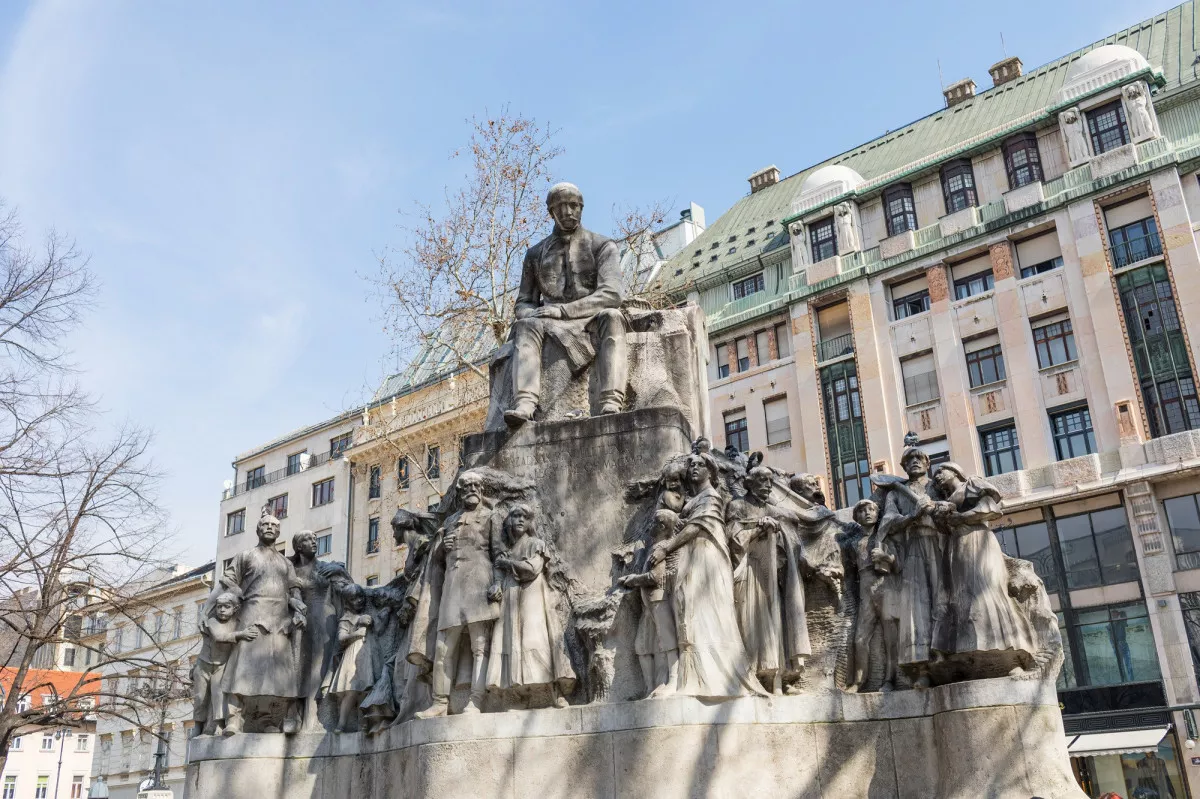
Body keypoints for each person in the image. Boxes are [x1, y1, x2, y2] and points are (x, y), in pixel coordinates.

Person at [505, 182, 628, 425]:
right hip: (550, 321)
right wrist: (536, 314)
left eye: (574, 206)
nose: (568, 212)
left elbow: (612, 294)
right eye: (561, 207)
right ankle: (525, 402)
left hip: (590, 316)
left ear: (581, 208)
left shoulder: (602, 245)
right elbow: (524, 302)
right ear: (551, 212)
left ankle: (611, 400)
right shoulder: (535, 254)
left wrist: (563, 311)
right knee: (525, 325)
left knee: (613, 317)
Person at [647, 452, 766, 698]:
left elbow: (696, 527)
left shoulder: (711, 496)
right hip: (693, 559)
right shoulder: (695, 498)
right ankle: (686, 678)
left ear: (711, 472)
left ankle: (704, 679)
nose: (694, 468)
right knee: (687, 613)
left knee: (696, 613)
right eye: (691, 464)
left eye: (700, 465)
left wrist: (665, 548)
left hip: (706, 560)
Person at [727, 466, 830, 694]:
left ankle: (779, 679)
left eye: (768, 481)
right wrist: (757, 529)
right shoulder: (737, 505)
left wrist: (780, 535)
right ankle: (753, 677)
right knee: (753, 624)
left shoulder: (774, 509)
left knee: (777, 624)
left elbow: (793, 529)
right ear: (749, 483)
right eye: (761, 481)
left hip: (773, 574)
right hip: (751, 573)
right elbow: (733, 538)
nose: (766, 485)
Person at [413, 470, 504, 717]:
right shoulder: (451, 521)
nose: (471, 490)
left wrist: (498, 583)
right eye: (466, 487)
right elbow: (438, 560)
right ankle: (440, 703)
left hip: (480, 585)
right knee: (443, 648)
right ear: (460, 492)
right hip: (452, 588)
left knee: (480, 646)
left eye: (475, 486)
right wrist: (443, 547)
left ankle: (476, 700)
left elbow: (499, 555)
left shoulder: (491, 517)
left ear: (482, 490)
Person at [930, 462, 1035, 676]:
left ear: (956, 471)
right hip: (956, 548)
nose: (938, 476)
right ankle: (974, 658)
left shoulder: (972, 484)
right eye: (935, 475)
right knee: (963, 601)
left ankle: (1012, 657)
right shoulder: (945, 500)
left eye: (941, 470)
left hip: (978, 542)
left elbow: (992, 509)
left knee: (987, 595)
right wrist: (940, 517)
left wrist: (962, 517)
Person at [219, 510, 307, 734]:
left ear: (279, 532)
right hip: (252, 615)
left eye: (274, 525)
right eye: (265, 524)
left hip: (279, 620)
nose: (270, 527)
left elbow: (294, 587)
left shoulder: (285, 563)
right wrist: (238, 596)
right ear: (258, 529)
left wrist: (298, 608)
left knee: (277, 673)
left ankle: (270, 719)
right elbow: (228, 579)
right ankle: (234, 718)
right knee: (242, 668)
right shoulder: (246, 555)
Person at [485, 504, 575, 708]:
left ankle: (552, 692)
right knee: (512, 642)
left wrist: (508, 564)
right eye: (515, 516)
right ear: (508, 521)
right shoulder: (506, 552)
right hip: (511, 596)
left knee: (535, 639)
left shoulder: (536, 544)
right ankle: (519, 694)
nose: (519, 520)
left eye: (524, 517)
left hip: (533, 595)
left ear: (529, 522)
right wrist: (497, 584)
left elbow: (533, 569)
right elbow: (497, 574)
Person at [875, 447, 943, 689]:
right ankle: (922, 668)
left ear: (927, 462)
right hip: (913, 547)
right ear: (903, 467)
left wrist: (938, 509)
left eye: (918, 458)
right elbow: (888, 522)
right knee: (918, 607)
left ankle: (947, 654)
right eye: (909, 460)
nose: (914, 462)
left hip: (941, 545)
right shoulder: (897, 493)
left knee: (943, 598)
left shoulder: (938, 486)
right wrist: (912, 516)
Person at [290, 531, 351, 731]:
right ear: (298, 546)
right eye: (308, 540)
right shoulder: (292, 571)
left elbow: (349, 588)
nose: (314, 542)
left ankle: (317, 718)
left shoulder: (326, 567)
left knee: (321, 667)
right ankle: (299, 715)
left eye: (315, 539)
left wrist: (340, 571)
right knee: (300, 669)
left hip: (326, 619)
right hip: (302, 623)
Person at [618, 508, 681, 697]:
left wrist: (633, 579)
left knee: (667, 639)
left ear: (662, 526)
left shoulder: (661, 547)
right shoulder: (656, 547)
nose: (649, 527)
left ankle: (674, 680)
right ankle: (650, 687)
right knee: (645, 644)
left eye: (654, 523)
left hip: (659, 599)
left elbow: (655, 576)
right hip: (650, 602)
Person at [845, 500, 901, 693]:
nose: (867, 513)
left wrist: (887, 558)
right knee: (859, 639)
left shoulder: (885, 536)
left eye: (871, 510)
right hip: (865, 589)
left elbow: (901, 565)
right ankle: (859, 681)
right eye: (861, 511)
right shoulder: (854, 543)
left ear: (878, 514)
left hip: (886, 585)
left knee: (890, 638)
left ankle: (890, 680)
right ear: (856, 517)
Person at [192, 593, 258, 735]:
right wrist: (241, 634)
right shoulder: (212, 622)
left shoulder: (238, 623)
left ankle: (218, 725)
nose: (222, 610)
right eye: (219, 607)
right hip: (204, 665)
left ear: (235, 609)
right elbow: (219, 637)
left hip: (221, 665)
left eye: (226, 607)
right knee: (200, 697)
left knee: (219, 694)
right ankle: (197, 725)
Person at [328, 584, 375, 732]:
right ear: (348, 602)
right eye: (354, 599)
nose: (359, 601)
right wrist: (357, 632)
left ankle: (363, 723)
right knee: (351, 689)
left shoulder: (367, 614)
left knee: (364, 690)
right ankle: (341, 724)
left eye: (361, 597)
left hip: (366, 655)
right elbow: (341, 638)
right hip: (352, 655)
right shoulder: (346, 618)